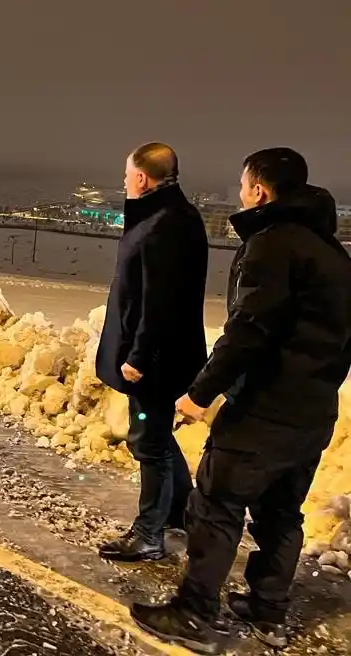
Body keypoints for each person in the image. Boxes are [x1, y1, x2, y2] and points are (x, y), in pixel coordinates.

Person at [132, 148, 351, 654]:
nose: (240, 193)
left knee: (216, 504)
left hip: (263, 409)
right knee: (282, 511)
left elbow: (248, 330)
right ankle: (268, 607)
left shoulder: (272, 246)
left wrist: (200, 393)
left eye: (243, 184)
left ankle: (193, 612)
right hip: (314, 411)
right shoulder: (334, 254)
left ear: (260, 190)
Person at [96, 142, 209, 562]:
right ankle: (181, 512)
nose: (124, 180)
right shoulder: (173, 218)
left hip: (155, 361)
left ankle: (148, 534)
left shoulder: (165, 225)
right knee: (157, 437)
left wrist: (138, 358)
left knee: (150, 442)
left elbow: (159, 301)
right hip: (164, 355)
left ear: (142, 178)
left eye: (127, 174)